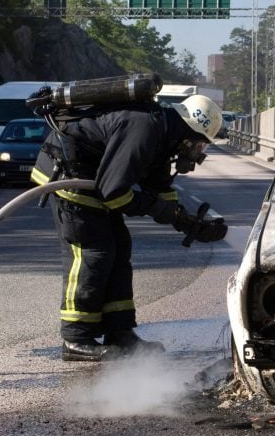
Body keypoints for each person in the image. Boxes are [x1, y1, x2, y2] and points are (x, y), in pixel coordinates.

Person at [30, 93, 228, 361]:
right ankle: (75, 338)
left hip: (94, 179)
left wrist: (185, 220)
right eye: (198, 146)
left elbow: (158, 187)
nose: (197, 153)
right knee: (93, 253)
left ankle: (120, 332)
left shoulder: (164, 134)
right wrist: (157, 208)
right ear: (188, 134)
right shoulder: (144, 129)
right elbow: (115, 193)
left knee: (120, 249)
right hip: (70, 178)